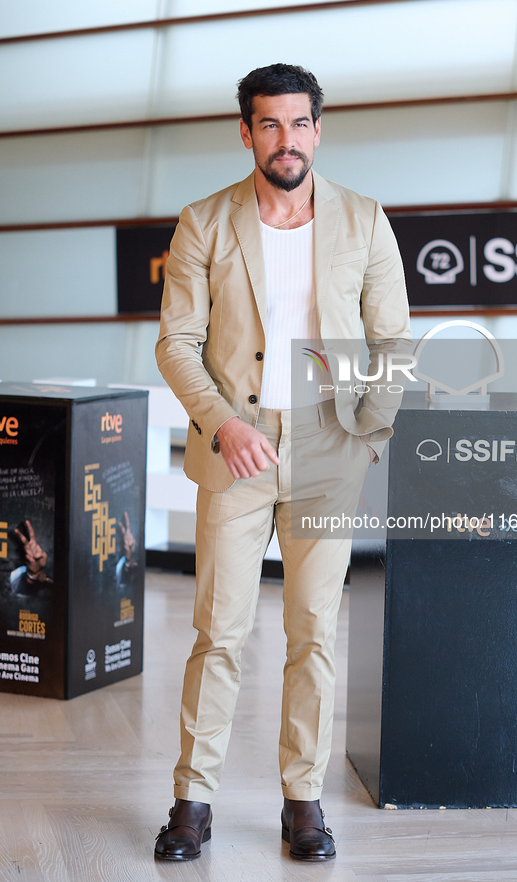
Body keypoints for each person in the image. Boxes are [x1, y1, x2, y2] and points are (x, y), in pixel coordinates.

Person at [154, 63, 411, 862]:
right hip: (236, 450)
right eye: (269, 124)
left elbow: (393, 343)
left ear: (317, 130)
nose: (286, 139)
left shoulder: (364, 221)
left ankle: (303, 803)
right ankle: (192, 802)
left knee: (312, 635)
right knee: (217, 632)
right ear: (246, 132)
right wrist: (225, 422)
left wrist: (365, 436)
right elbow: (176, 343)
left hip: (328, 446)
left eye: (299, 123)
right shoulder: (204, 221)